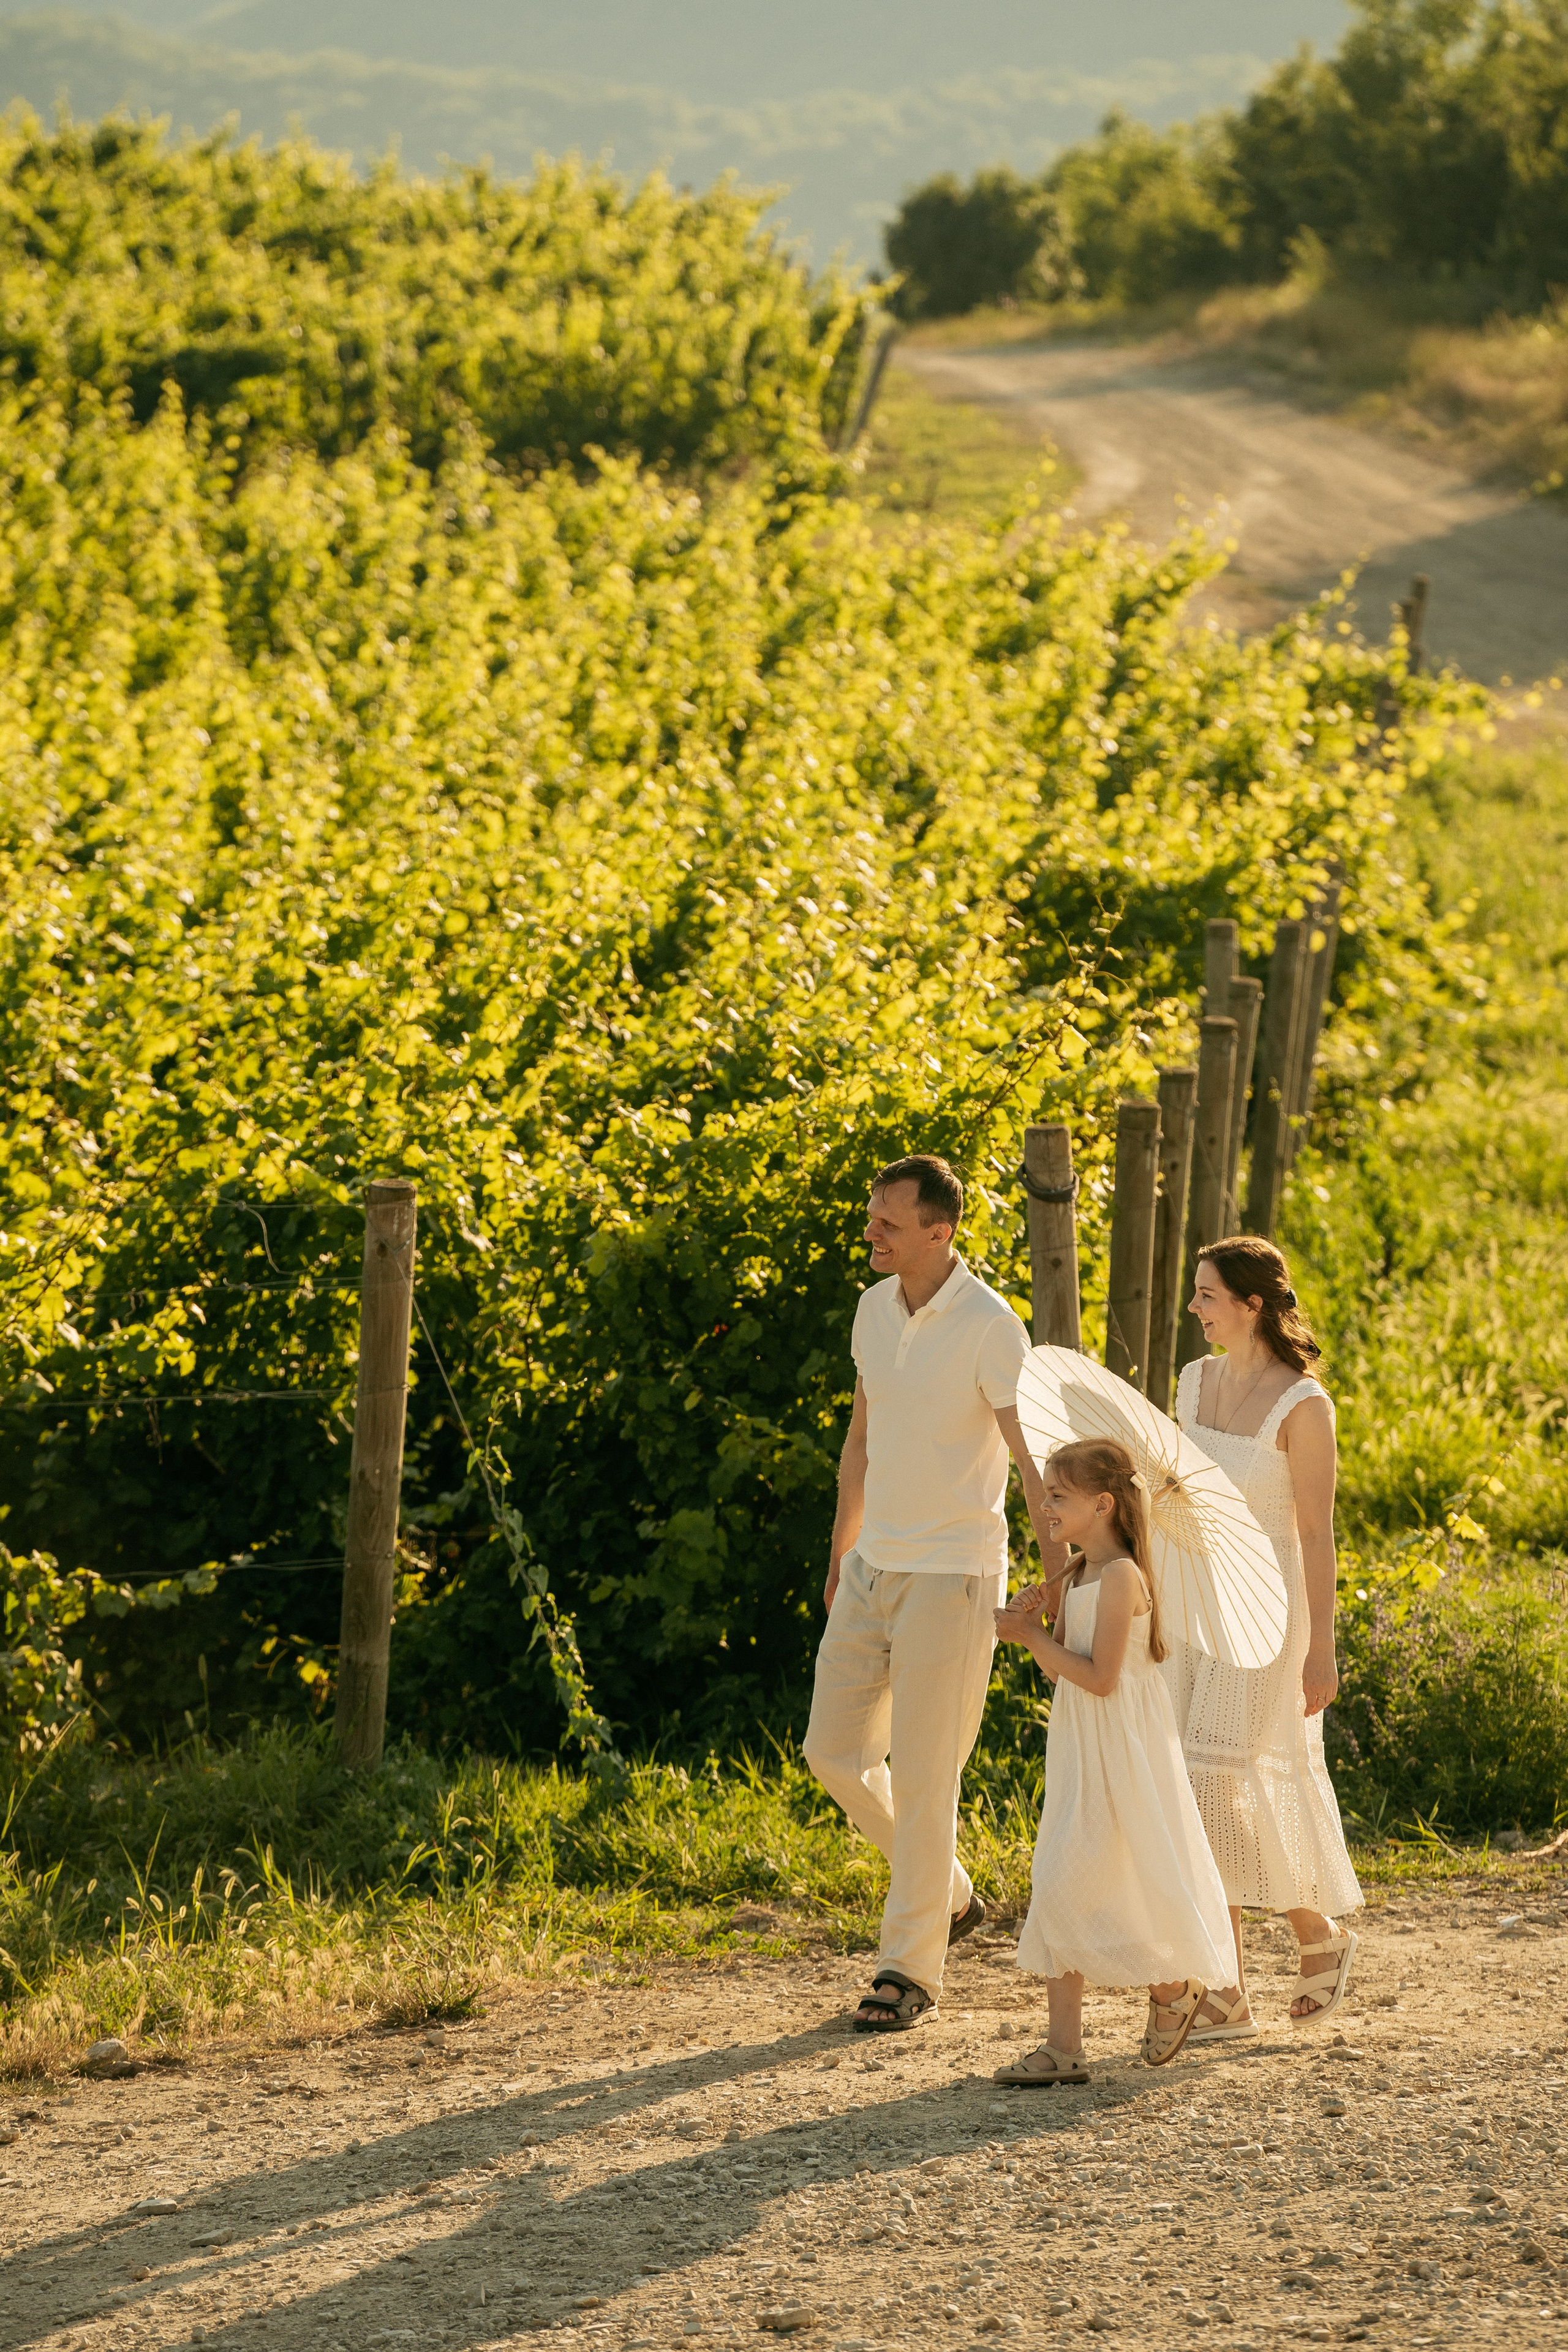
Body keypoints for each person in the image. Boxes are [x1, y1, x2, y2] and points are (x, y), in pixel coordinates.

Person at [803, 1153, 1063, 2034]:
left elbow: (1032, 1465)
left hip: (954, 1578)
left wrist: (1058, 1570)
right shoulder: (873, 1311)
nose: (871, 1233)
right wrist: (843, 1550)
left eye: (887, 1224)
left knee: (924, 1780)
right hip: (873, 1568)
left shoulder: (994, 1327)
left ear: (939, 1232)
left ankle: (908, 1970)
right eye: (872, 1216)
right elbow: (860, 1443)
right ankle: (947, 1890)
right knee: (833, 1754)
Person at [992, 1438, 1234, 2086]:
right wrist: (1031, 1624)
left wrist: (1035, 1638)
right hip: (1080, 1745)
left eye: (1058, 1496)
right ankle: (1066, 2045)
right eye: (1045, 1494)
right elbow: (1063, 1672)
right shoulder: (1073, 1573)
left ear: (1101, 1504)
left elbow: (1099, 1677)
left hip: (1122, 1748)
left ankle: (1171, 1988)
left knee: (1120, 1872)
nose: (1044, 1505)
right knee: (1064, 1874)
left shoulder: (1123, 1574)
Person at [1169, 1235, 1363, 2039]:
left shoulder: (1302, 1407)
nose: (1193, 1308)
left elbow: (1316, 1538)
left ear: (1252, 1305)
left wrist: (1322, 1649)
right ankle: (1232, 1990)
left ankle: (1303, 1944)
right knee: (1195, 1793)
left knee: (1219, 1789)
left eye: (1207, 1295)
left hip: (1266, 1617)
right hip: (1188, 1611)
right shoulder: (1192, 1381)